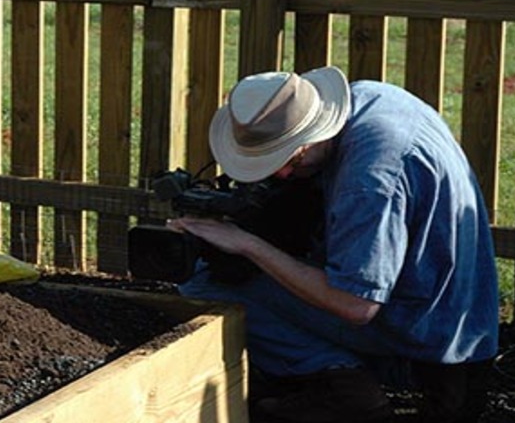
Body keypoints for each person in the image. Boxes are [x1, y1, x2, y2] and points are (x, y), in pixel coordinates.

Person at [170, 66, 498, 423]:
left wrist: (248, 244)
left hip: (425, 335)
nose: (280, 175)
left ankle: (345, 388)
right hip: (452, 311)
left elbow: (357, 305)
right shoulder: (369, 99)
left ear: (314, 133)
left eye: (288, 160)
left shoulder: (370, 178)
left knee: (206, 285)